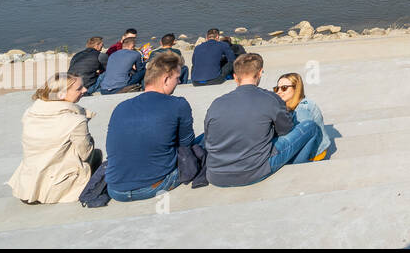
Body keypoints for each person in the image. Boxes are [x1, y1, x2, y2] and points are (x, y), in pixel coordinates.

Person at [202, 53, 321, 187]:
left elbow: (208, 138)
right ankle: (297, 171)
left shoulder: (216, 103)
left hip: (216, 175)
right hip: (252, 172)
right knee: (310, 127)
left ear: (235, 77)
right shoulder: (270, 99)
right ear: (259, 73)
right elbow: (286, 130)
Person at [104, 52, 196, 202]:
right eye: (177, 78)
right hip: (153, 186)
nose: (178, 82)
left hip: (115, 189)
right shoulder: (178, 104)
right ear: (166, 79)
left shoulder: (121, 107)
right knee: (205, 138)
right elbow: (187, 144)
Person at [7, 72, 100, 204]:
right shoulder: (75, 120)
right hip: (54, 188)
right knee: (97, 155)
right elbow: (86, 154)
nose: (85, 90)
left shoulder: (30, 112)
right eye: (79, 88)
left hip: (27, 186)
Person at [274, 73, 329, 161]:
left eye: (284, 88)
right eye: (276, 88)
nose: (279, 91)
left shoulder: (302, 109)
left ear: (296, 89)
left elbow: (303, 138)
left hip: (315, 153)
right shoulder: (287, 105)